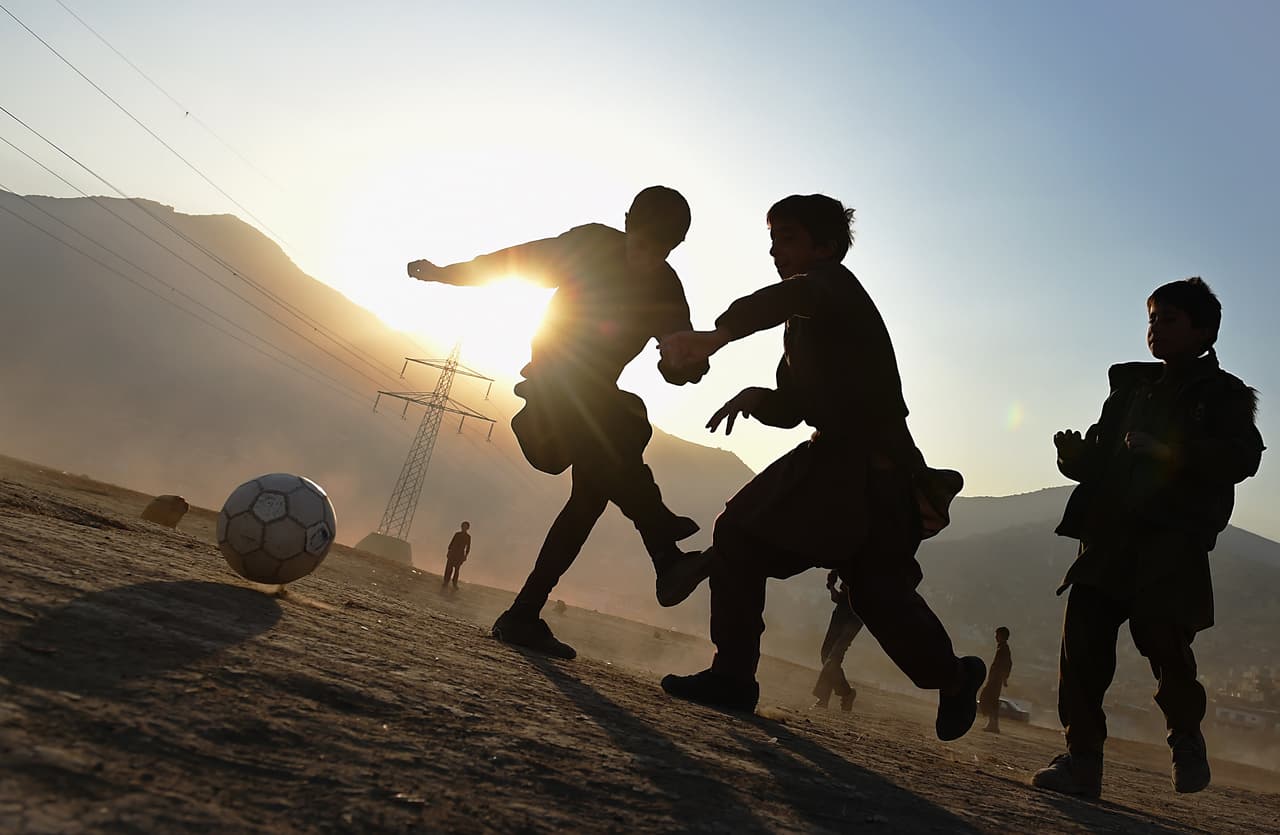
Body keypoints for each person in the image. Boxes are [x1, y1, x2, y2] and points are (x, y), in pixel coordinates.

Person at [657, 194, 986, 741]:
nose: (774, 249)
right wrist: (759, 396)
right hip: (855, 467)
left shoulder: (833, 286)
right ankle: (953, 677)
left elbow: (790, 297)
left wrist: (718, 334)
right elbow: (794, 410)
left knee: (758, 542)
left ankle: (736, 676)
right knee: (871, 590)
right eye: (773, 238)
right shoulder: (803, 324)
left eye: (787, 237)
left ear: (827, 247)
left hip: (863, 468)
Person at [408, 186, 712, 659]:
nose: (648, 260)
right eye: (643, 245)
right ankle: (662, 543)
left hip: (599, 411)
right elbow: (514, 262)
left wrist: (686, 363)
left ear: (676, 248)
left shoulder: (667, 290)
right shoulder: (589, 245)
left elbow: (680, 365)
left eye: (663, 251)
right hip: (554, 399)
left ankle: (524, 614)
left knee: (588, 499)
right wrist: (447, 274)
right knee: (617, 429)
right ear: (627, 221)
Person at [1031, 277, 1264, 799]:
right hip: (1109, 535)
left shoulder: (1222, 395)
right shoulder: (1131, 389)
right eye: (1152, 318)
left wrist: (1169, 451)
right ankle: (1081, 760)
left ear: (1203, 331)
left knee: (1164, 641)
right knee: (1083, 644)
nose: (1155, 328)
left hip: (1172, 540)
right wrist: (1076, 459)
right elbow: (1102, 457)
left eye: (1169, 319)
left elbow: (1242, 458)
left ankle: (1185, 738)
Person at [812, 570, 863, 711]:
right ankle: (846, 693)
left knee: (834, 655)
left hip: (857, 614)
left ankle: (823, 699)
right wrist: (831, 587)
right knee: (826, 654)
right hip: (842, 607)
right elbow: (835, 569)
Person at [979, 626, 1012, 733]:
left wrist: (1004, 678)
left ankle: (993, 724)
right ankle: (992, 723)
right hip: (995, 678)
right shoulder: (1002, 648)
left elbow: (1007, 664)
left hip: (995, 679)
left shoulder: (1004, 649)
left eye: (997, 635)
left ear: (1001, 636)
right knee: (991, 700)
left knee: (987, 697)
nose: (995, 637)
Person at [442, 521, 471, 589]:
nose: (464, 528)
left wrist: (465, 555)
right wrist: (449, 551)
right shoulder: (457, 534)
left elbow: (468, 547)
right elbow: (452, 543)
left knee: (457, 569)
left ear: (467, 528)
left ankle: (454, 583)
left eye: (465, 527)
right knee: (449, 568)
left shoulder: (468, 537)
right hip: (453, 553)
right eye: (463, 526)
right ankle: (446, 581)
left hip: (460, 554)